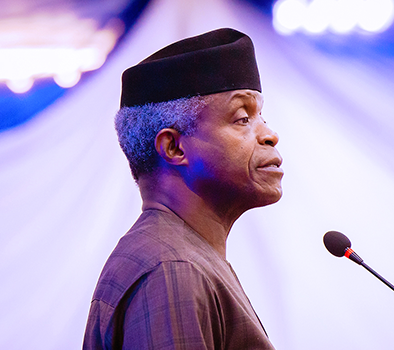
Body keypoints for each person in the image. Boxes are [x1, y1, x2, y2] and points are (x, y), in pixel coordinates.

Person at [83, 28, 283, 350]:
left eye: (262, 116)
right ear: (174, 147)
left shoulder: (179, 255)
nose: (269, 134)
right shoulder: (173, 270)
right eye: (243, 118)